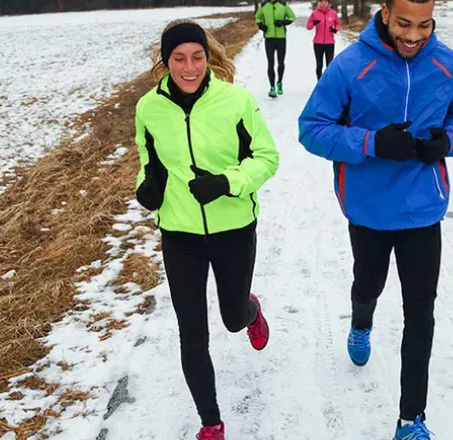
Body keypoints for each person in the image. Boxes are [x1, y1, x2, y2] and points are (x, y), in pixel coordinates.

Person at [297, 0, 453, 437]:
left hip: (422, 208)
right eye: (403, 23)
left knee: (421, 313)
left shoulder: (450, 65)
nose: (413, 35)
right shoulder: (350, 66)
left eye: (424, 24)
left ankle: (410, 419)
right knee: (369, 285)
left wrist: (448, 141)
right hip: (369, 208)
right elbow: (311, 128)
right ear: (384, 12)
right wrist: (371, 143)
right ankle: (361, 324)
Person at [134, 19, 279, 440]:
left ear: (207, 57)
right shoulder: (149, 108)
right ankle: (211, 423)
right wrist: (148, 189)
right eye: (179, 58)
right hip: (179, 234)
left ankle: (249, 310)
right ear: (166, 61)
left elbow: (267, 158)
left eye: (196, 56)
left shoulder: (236, 101)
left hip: (233, 226)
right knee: (192, 334)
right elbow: (149, 162)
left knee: (231, 319)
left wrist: (227, 183)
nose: (189, 66)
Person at [255, 0, 296, 98]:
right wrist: (261, 26)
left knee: (281, 62)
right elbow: (257, 17)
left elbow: (292, 17)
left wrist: (283, 22)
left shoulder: (283, 5)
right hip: (269, 39)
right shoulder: (263, 5)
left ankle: (279, 83)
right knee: (270, 63)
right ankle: (272, 87)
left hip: (281, 38)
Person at [306, 0, 341, 80]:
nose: (323, 3)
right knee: (319, 65)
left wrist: (335, 29)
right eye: (321, 2)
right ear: (319, 3)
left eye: (325, 2)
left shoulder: (333, 13)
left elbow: (338, 24)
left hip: (330, 43)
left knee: (330, 65)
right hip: (318, 43)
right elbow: (308, 26)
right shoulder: (315, 13)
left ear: (328, 3)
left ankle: (328, 83)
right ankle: (320, 82)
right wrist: (314, 23)